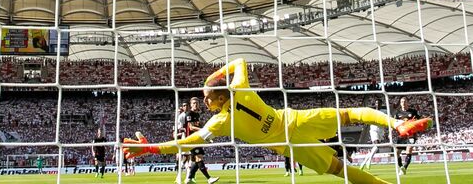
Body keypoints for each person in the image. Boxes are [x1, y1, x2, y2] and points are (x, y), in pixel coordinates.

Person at [123, 58, 433, 184]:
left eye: (206, 97)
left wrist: (151, 149)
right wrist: (213, 77)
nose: (204, 101)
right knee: (351, 114)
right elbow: (240, 61)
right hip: (294, 120)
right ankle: (397, 124)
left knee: (341, 170)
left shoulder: (220, 122)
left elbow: (188, 142)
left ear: (216, 98)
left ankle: (394, 143)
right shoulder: (240, 88)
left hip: (289, 143)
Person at [184, 97, 219, 184]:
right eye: (194, 103)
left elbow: (198, 126)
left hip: (197, 138)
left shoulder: (197, 114)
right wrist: (203, 130)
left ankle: (189, 178)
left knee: (196, 160)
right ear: (191, 105)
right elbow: (191, 127)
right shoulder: (189, 113)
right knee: (199, 158)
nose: (195, 105)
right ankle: (209, 179)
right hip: (192, 140)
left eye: (197, 103)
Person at [393, 97, 420, 176]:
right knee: (396, 153)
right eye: (402, 102)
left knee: (409, 150)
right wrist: (389, 133)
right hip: (402, 135)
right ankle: (401, 167)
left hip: (411, 135)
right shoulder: (397, 113)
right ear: (400, 103)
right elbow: (394, 124)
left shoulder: (413, 112)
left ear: (407, 103)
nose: (403, 103)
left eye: (405, 101)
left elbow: (419, 121)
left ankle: (405, 167)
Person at [359, 99, 388, 171]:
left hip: (381, 131)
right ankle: (369, 161)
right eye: (377, 103)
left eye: (379, 103)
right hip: (373, 130)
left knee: (375, 148)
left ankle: (364, 162)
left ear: (381, 104)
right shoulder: (372, 112)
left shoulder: (384, 112)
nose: (378, 105)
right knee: (377, 145)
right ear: (375, 104)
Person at [175, 102, 190, 184]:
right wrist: (187, 129)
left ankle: (187, 178)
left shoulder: (192, 114)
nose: (186, 106)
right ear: (182, 107)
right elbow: (179, 128)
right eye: (184, 105)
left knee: (189, 159)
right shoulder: (181, 116)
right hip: (186, 139)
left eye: (187, 105)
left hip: (193, 138)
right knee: (185, 158)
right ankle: (179, 177)